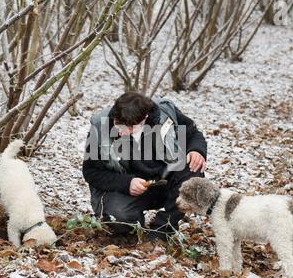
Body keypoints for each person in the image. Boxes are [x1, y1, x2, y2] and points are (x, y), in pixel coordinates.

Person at [82, 92, 207, 242]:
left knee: (193, 172)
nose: (121, 132)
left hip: (167, 180)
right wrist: (126, 183)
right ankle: (134, 227)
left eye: (130, 128)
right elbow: (90, 171)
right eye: (117, 124)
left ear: (145, 118)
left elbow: (193, 133)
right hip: (129, 190)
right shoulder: (100, 125)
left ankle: (162, 230)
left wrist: (196, 150)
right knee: (119, 217)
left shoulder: (165, 113)